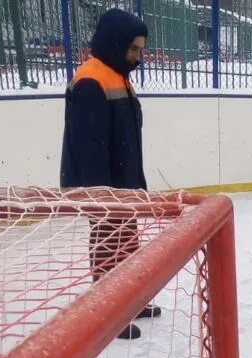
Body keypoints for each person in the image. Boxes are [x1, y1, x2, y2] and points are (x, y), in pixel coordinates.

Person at [60, 8, 157, 340]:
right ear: (115, 42)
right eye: (133, 49)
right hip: (102, 185)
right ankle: (109, 312)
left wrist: (133, 184)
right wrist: (101, 196)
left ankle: (130, 300)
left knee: (128, 241)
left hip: (123, 182)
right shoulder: (92, 79)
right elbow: (90, 146)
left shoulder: (117, 75)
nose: (138, 57)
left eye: (141, 50)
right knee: (107, 244)